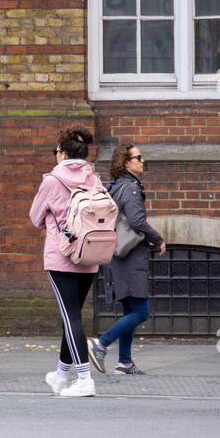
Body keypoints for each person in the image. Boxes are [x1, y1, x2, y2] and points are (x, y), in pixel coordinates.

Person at [30, 125, 106, 398]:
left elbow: (35, 217)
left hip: (62, 256)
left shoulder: (52, 180)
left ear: (62, 153)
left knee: (71, 315)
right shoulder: (94, 178)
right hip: (90, 254)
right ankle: (61, 375)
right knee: (71, 315)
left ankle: (85, 379)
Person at [89, 142, 164, 376]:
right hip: (130, 257)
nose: (142, 161)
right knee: (141, 312)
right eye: (138, 157)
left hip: (117, 255)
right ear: (125, 162)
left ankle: (125, 361)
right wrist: (158, 239)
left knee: (130, 309)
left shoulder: (116, 186)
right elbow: (137, 221)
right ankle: (101, 344)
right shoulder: (130, 188)